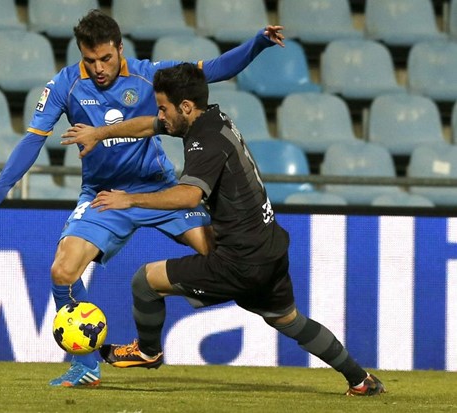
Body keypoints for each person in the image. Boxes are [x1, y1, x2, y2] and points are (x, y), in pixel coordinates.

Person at [0, 8, 285, 388]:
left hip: (157, 187)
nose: (99, 67)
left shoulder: (148, 73)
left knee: (223, 258)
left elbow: (214, 69)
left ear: (120, 48)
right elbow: (33, 139)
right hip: (104, 196)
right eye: (90, 60)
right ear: (80, 55)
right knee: (63, 271)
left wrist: (257, 44)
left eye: (106, 57)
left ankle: (275, 310)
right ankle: (85, 366)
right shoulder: (65, 86)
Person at [61, 63, 387, 396]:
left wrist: (129, 199)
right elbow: (150, 125)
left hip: (239, 260)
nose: (160, 115)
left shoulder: (205, 142)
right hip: (270, 247)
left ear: (185, 107)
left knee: (145, 281)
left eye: (164, 107)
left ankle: (147, 352)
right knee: (287, 319)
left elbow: (189, 196)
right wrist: (99, 133)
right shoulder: (213, 118)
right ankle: (360, 379)